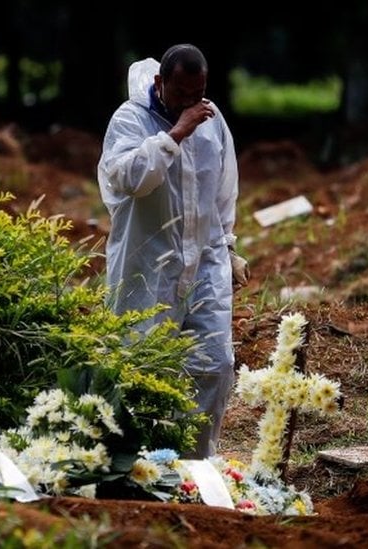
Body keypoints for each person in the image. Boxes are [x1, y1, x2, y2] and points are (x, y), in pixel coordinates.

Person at [97, 43, 249, 458]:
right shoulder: (130, 120)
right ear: (161, 83)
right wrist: (176, 133)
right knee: (141, 362)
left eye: (197, 94)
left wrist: (229, 247)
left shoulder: (213, 121)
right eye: (182, 95)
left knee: (215, 364)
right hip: (147, 264)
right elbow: (129, 178)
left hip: (205, 260)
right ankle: (136, 460)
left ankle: (194, 463)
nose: (191, 104)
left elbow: (223, 191)